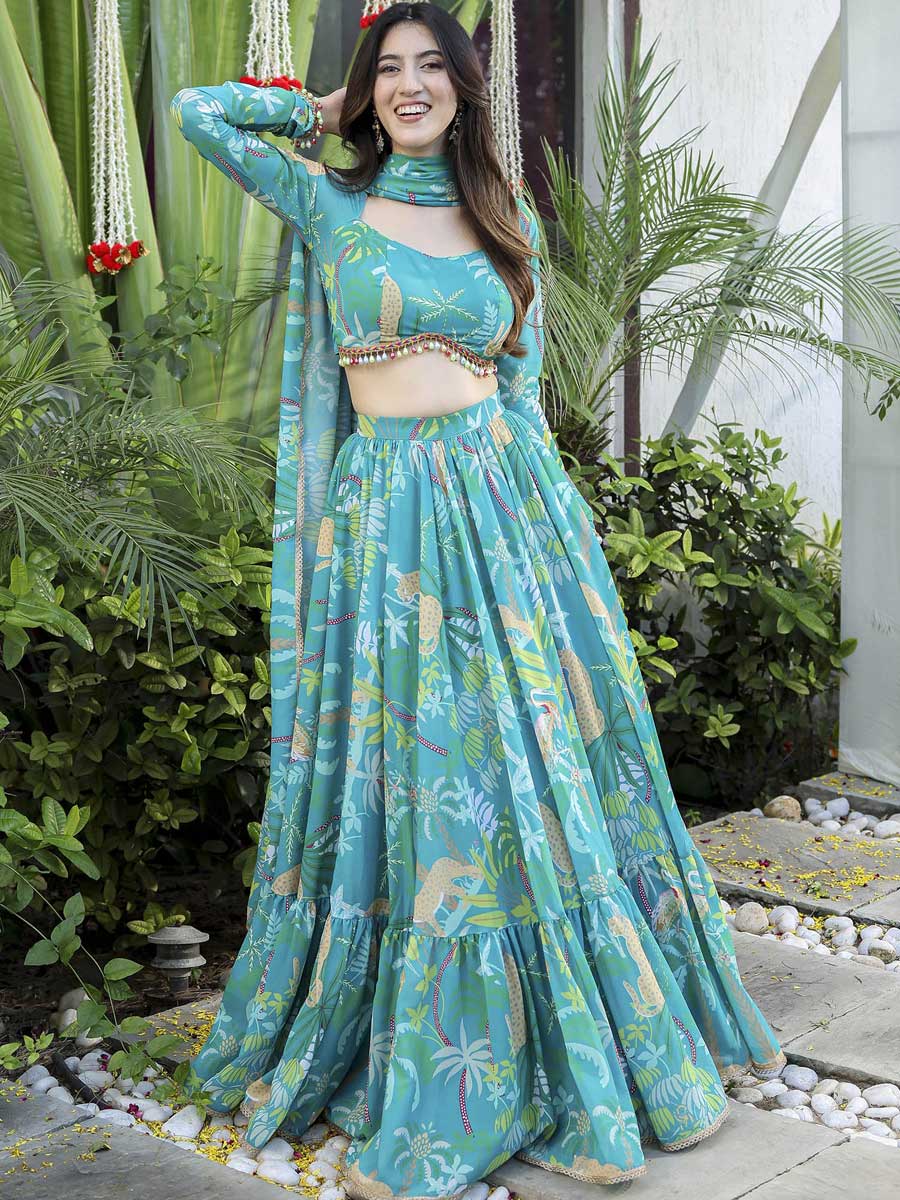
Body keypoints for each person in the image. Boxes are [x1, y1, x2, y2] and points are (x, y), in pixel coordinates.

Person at [169, 4, 785, 1197]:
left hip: (501, 511)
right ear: (369, 91)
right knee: (421, 766)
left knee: (520, 764)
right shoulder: (329, 202)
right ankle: (433, 1066)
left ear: (464, 87)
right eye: (388, 71)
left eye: (429, 68)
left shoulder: (509, 223)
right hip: (388, 524)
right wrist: (321, 110)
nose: (410, 86)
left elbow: (517, 393)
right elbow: (200, 115)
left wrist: (557, 553)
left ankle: (573, 1044)